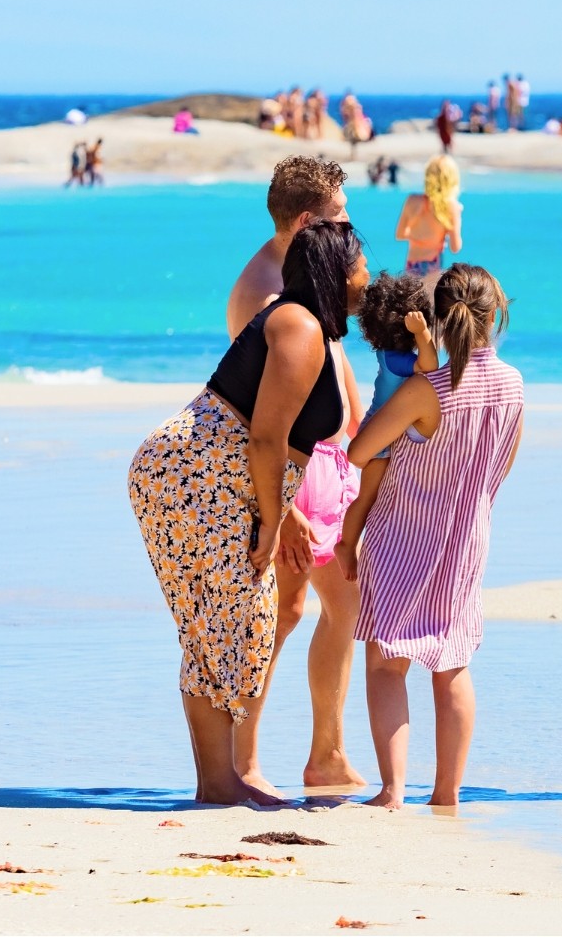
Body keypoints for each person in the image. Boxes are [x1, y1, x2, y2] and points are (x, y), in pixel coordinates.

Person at [130, 219, 370, 806]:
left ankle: (221, 782)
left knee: (235, 624)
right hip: (191, 479)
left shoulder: (314, 328)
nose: (367, 275)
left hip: (214, 482)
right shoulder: (297, 324)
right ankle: (218, 784)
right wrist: (271, 521)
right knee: (233, 623)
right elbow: (265, 438)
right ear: (336, 271)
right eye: (360, 264)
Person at [348, 264, 524, 809]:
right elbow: (503, 465)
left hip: (402, 536)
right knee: (452, 666)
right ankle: (446, 793)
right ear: (493, 317)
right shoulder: (514, 384)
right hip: (467, 539)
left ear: (437, 324)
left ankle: (393, 791)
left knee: (386, 663)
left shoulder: (429, 391)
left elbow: (359, 452)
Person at [223, 155, 368, 791]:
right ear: (308, 220)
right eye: (340, 216)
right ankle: (242, 760)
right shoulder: (263, 291)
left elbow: (333, 358)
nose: (350, 226)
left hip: (329, 458)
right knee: (280, 612)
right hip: (291, 471)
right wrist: (285, 510)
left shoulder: (308, 270)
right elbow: (262, 417)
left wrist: (361, 431)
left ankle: (327, 753)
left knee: (343, 604)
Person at [337, 273, 436, 580]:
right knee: (367, 495)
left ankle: (353, 542)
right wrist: (422, 334)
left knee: (373, 494)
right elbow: (430, 365)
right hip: (379, 435)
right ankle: (347, 544)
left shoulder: (389, 353)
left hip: (378, 424)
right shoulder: (397, 359)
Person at [395, 154, 463, 282]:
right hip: (433, 266)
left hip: (411, 265)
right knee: (429, 301)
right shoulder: (451, 207)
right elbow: (455, 247)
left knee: (410, 300)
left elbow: (400, 234)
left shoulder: (412, 200)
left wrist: (419, 237)